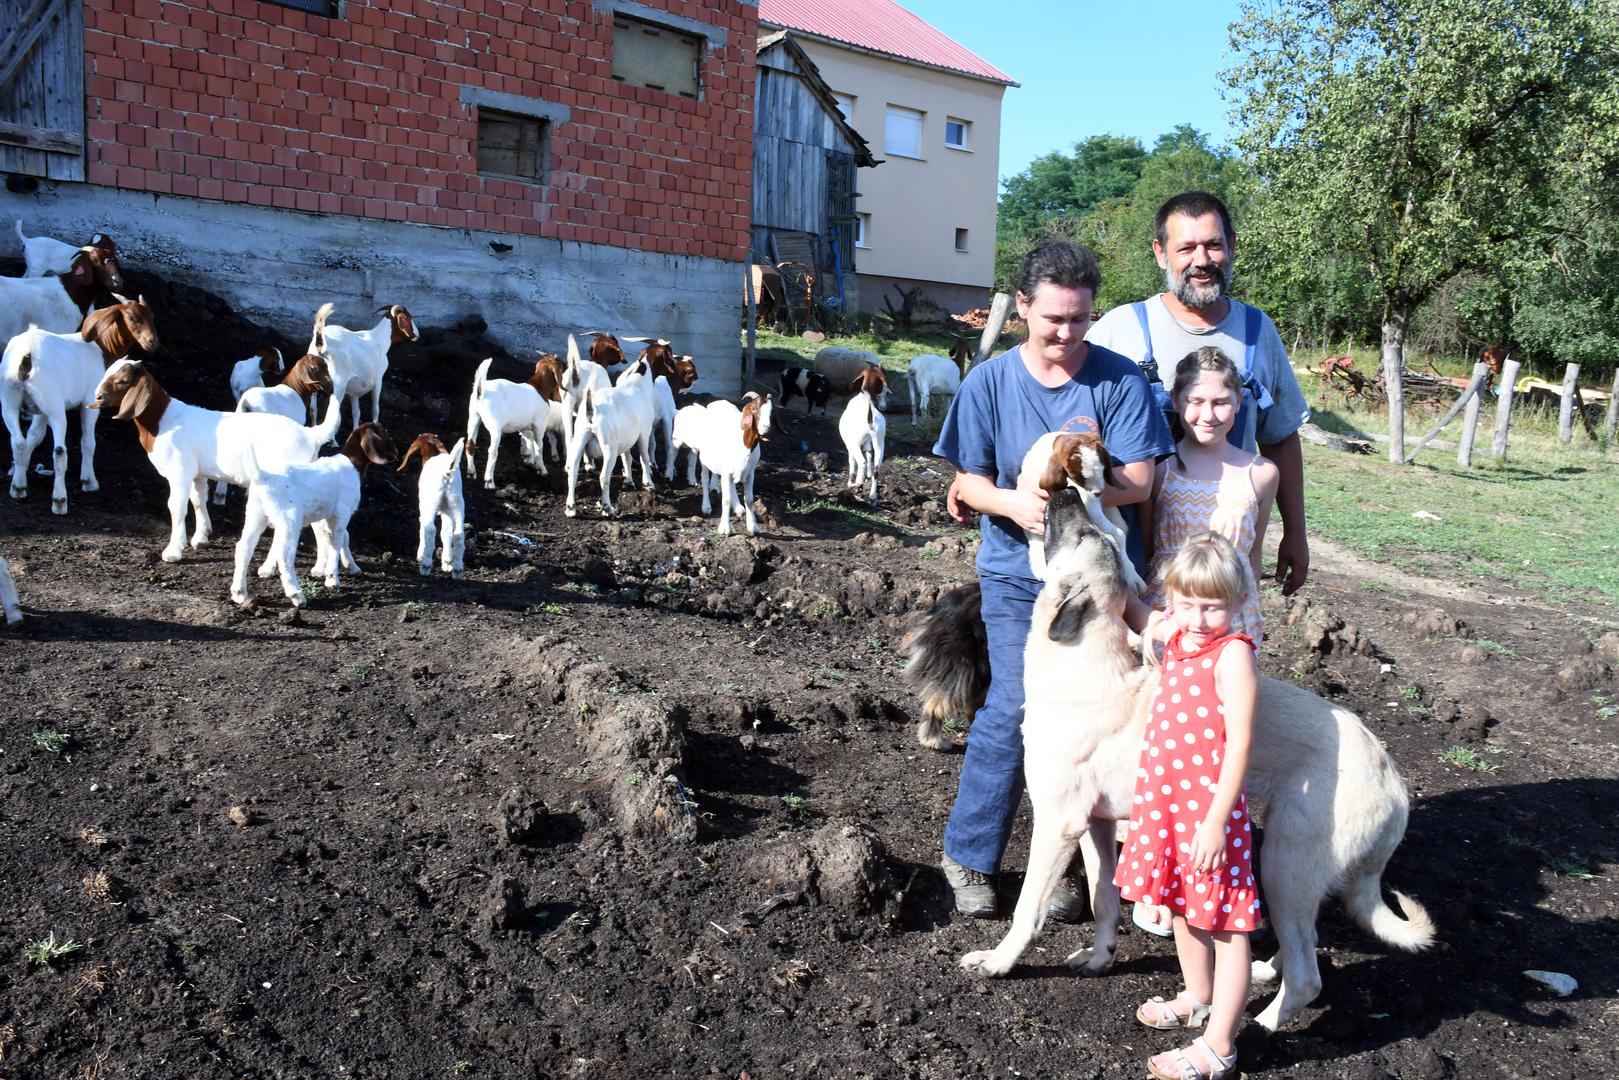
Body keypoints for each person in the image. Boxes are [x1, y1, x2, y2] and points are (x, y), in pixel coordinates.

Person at [935, 240, 1174, 917]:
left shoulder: (1118, 382)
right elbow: (968, 481)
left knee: (1097, 715)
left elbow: (1138, 479)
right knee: (1016, 705)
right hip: (1019, 577)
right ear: (1021, 309)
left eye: (1080, 320)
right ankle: (969, 854)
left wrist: (1076, 493)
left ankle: (1063, 864)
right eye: (1053, 320)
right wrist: (1012, 502)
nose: (1067, 334)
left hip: (1098, 579)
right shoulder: (989, 383)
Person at [1087, 191, 1311, 597]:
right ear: (1160, 253)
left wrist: (1295, 532)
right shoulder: (1118, 331)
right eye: (1186, 247)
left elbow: (1279, 438)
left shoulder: (1258, 334)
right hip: (1127, 552)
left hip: (1223, 564)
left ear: (1232, 246)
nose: (1202, 260)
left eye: (1213, 245)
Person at [1118, 532, 1259, 1080]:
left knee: (1226, 924)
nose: (1199, 618)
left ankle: (1220, 1043)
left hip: (1208, 816)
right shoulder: (1176, 639)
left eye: (1213, 606)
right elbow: (1138, 613)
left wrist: (1218, 823)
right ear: (1171, 598)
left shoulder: (1233, 656)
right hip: (1168, 807)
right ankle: (1197, 995)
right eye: (1187, 604)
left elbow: (1241, 743)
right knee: (1179, 905)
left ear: (1238, 603)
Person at [1142, 346, 1279, 644]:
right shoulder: (1158, 471)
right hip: (1168, 618)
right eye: (1195, 401)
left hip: (1232, 621)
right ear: (1176, 400)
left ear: (1239, 402)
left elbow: (1252, 555)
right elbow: (1143, 550)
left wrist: (1249, 618)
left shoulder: (1261, 473)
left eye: (1221, 403)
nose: (1208, 415)